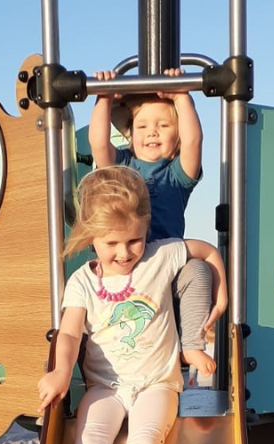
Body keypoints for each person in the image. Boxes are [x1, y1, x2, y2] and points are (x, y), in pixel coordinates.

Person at [37, 166, 227, 444]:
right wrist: (58, 370)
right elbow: (70, 333)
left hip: (158, 382)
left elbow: (206, 252)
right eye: (112, 244)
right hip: (105, 386)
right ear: (91, 238)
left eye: (134, 240)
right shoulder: (83, 284)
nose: (124, 253)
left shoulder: (158, 258)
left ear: (145, 229)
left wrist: (221, 295)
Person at [89, 68, 214, 383]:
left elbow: (195, 139)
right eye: (143, 125)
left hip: (166, 267)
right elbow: (98, 142)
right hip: (128, 264)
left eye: (163, 125)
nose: (152, 132)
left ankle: (192, 346)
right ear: (130, 134)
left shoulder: (178, 175)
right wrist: (103, 97)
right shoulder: (123, 168)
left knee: (198, 271)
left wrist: (181, 96)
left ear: (176, 136)